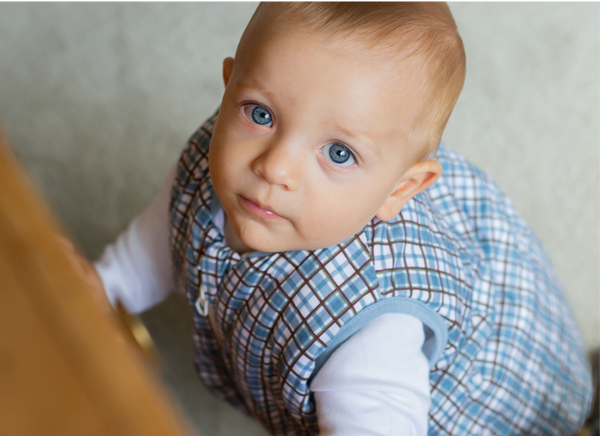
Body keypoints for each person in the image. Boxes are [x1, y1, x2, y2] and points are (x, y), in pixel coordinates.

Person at [68, 1, 593, 435]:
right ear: (228, 87)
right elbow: (170, 227)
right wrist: (111, 283)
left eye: (338, 153)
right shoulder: (219, 159)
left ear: (400, 190)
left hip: (485, 405)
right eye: (260, 113)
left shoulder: (373, 334)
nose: (274, 167)